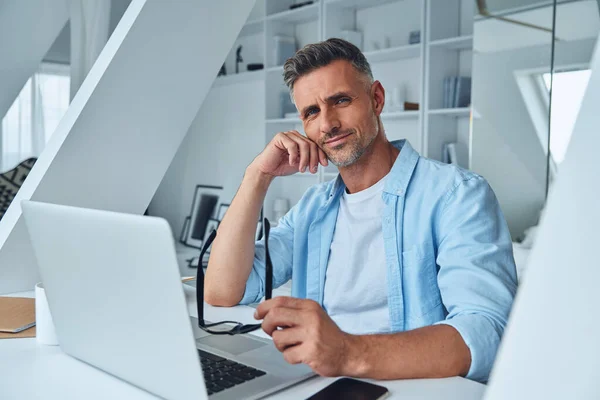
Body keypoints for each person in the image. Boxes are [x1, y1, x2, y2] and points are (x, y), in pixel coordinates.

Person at [205, 38, 517, 383]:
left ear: (376, 99)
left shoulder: (456, 195)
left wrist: (345, 352)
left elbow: (487, 331)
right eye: (312, 112)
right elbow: (223, 290)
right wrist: (257, 176)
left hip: (408, 388)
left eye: (340, 100)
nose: (327, 124)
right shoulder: (313, 207)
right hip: (319, 381)